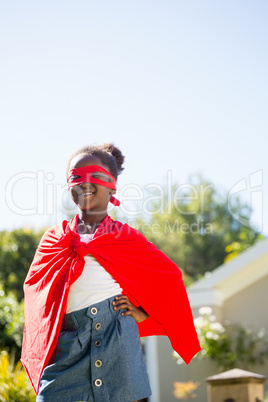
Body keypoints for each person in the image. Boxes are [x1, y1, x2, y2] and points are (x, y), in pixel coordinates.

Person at [21, 143, 201, 402]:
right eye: (76, 177)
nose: (85, 182)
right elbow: (35, 290)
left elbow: (168, 277)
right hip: (69, 347)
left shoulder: (125, 237)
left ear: (112, 186)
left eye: (95, 176)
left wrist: (142, 314)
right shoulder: (54, 238)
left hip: (118, 344)